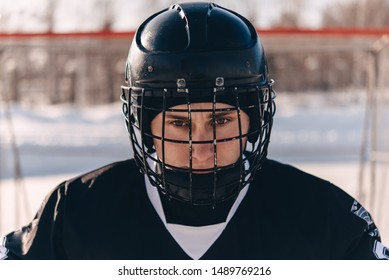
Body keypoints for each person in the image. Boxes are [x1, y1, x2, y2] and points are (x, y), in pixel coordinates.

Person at [1, 2, 388, 260]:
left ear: (252, 121)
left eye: (220, 121)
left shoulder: (327, 221)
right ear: (145, 127)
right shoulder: (74, 215)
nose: (202, 149)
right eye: (179, 124)